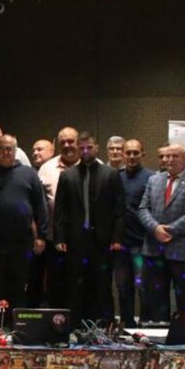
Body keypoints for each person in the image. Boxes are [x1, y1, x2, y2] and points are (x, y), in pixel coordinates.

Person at [0, 135, 48, 325]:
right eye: (2, 149)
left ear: (15, 151)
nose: (6, 152)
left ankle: (17, 325)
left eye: (9, 149)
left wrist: (41, 236)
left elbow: (40, 206)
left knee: (19, 285)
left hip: (22, 241)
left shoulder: (29, 174)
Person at [54, 131, 124, 324]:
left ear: (97, 148)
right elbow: (60, 210)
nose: (85, 151)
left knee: (102, 284)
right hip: (75, 240)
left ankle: (105, 325)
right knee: (75, 284)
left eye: (89, 147)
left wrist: (117, 238)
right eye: (82, 148)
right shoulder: (67, 176)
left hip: (103, 240)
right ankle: (76, 325)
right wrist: (59, 238)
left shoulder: (111, 174)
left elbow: (119, 209)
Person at [137, 144, 185, 322]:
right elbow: (143, 208)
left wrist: (170, 230)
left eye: (175, 156)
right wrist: (155, 228)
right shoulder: (154, 180)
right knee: (156, 297)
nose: (170, 160)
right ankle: (159, 332)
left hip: (183, 251)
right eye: (167, 156)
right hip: (154, 250)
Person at [37, 127, 79, 307]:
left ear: (78, 142)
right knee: (56, 284)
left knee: (82, 284)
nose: (67, 145)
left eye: (71, 141)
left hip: (84, 240)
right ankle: (56, 320)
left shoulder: (92, 166)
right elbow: (38, 204)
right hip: (54, 239)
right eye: (63, 142)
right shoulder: (46, 169)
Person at [113, 139, 154, 327]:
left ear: (143, 154)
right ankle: (127, 324)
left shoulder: (152, 178)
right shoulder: (115, 177)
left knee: (143, 287)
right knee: (123, 288)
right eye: (128, 152)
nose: (131, 156)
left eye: (135, 152)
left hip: (142, 243)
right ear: (122, 154)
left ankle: (145, 325)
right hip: (120, 243)